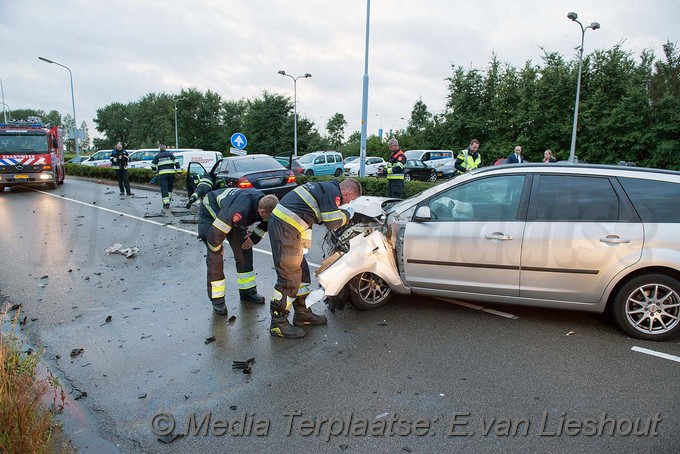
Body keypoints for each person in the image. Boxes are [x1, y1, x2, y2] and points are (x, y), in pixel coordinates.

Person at [268, 178, 362, 338]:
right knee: (288, 278)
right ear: (348, 193)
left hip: (290, 230)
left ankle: (302, 313)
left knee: (302, 275)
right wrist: (349, 213)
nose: (345, 204)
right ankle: (278, 323)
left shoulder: (326, 189)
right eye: (350, 200)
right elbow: (333, 223)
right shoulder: (331, 192)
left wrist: (304, 246)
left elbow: (312, 216)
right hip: (285, 230)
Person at [199, 187, 279, 315]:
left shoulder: (264, 201)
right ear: (262, 211)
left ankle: (247, 292)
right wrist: (216, 247)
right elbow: (216, 233)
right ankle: (218, 301)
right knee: (215, 259)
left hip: (233, 218)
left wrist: (253, 238)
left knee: (244, 251)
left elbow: (267, 222)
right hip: (212, 215)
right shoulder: (236, 211)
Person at [151, 145, 180, 209]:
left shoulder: (157, 156)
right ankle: (169, 200)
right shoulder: (170, 155)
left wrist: (155, 171)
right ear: (165, 149)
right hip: (171, 173)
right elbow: (177, 163)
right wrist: (179, 172)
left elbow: (152, 165)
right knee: (170, 187)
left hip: (163, 174)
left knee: (164, 188)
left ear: (160, 150)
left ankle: (166, 203)